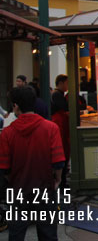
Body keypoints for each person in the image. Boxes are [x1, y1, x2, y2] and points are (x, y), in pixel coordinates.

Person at [0, 86, 65, 240]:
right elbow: (58, 162)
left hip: (17, 191)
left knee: (16, 233)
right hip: (45, 189)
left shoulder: (7, 133)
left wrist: (13, 181)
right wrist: (57, 180)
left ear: (15, 106)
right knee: (48, 233)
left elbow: (4, 168)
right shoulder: (51, 128)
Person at [51, 74, 70, 188]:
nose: (68, 85)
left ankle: (62, 180)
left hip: (62, 127)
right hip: (60, 128)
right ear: (61, 83)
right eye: (67, 83)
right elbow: (66, 108)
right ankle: (61, 181)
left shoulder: (58, 94)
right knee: (62, 152)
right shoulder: (57, 95)